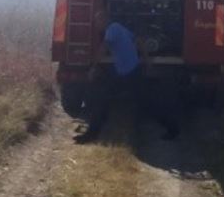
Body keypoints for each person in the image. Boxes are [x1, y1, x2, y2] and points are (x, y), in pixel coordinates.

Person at [74, 11, 179, 144]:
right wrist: (147, 62)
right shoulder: (120, 28)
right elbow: (139, 41)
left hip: (130, 74)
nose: (96, 25)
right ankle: (92, 134)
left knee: (147, 103)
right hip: (128, 72)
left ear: (105, 20)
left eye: (98, 21)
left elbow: (103, 49)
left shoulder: (111, 29)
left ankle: (173, 128)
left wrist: (93, 68)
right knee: (104, 100)